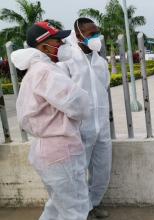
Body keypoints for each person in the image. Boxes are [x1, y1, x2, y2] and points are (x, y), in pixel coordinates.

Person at [11, 21, 91, 220]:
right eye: (58, 40)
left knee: (57, 207)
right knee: (75, 211)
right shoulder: (47, 72)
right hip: (61, 151)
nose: (63, 44)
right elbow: (79, 104)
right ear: (44, 46)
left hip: (47, 150)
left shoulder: (35, 71)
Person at [57, 17, 112, 219]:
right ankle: (82, 211)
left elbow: (104, 88)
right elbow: (63, 94)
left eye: (97, 32)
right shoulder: (69, 61)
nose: (96, 37)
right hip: (80, 127)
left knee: (102, 170)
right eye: (91, 34)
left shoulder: (100, 61)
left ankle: (93, 204)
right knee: (79, 173)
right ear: (78, 35)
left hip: (102, 125)